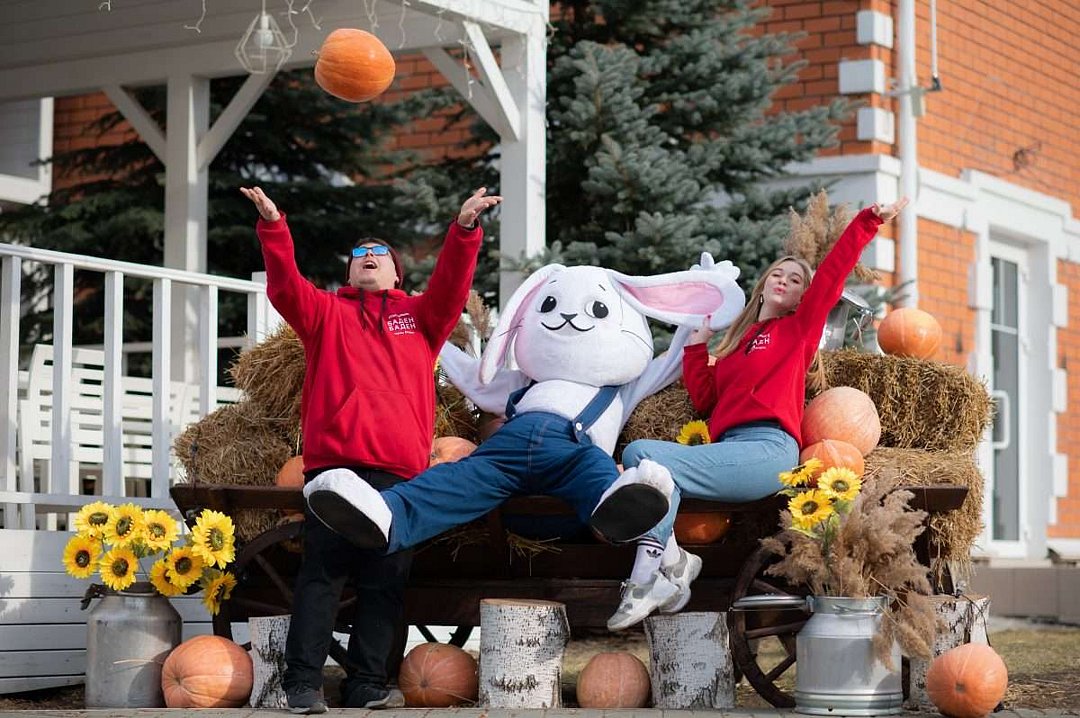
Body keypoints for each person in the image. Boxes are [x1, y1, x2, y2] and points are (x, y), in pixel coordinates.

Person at [240, 185, 501, 714]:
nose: (368, 258)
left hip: (399, 477)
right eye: (359, 254)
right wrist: (273, 226)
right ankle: (302, 685)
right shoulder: (324, 314)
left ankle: (366, 684)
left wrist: (464, 228)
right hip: (335, 473)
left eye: (379, 254)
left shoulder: (421, 318)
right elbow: (285, 287)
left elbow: (452, 286)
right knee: (322, 577)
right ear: (349, 270)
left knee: (385, 581)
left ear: (396, 274)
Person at [606, 197, 909, 631]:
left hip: (768, 450)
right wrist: (697, 348)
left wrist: (867, 221)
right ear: (763, 285)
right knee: (644, 460)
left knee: (643, 456)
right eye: (777, 274)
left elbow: (831, 276)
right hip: (730, 448)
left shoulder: (797, 331)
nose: (784, 280)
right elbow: (707, 400)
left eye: (795, 279)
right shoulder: (735, 346)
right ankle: (665, 566)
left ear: (802, 297)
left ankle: (652, 576)